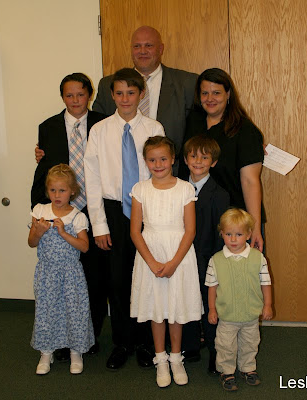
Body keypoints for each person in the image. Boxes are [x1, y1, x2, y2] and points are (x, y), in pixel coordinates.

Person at [83, 68, 165, 371]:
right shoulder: (100, 130)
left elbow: (161, 171)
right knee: (117, 280)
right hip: (114, 211)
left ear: (141, 94)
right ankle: (122, 342)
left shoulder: (154, 127)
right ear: (112, 96)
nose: (125, 98)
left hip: (147, 210)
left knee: (145, 278)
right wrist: (99, 225)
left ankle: (145, 342)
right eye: (119, 93)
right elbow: (92, 180)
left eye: (131, 92)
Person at [31, 72, 108, 362]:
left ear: (89, 95)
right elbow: (45, 171)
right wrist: (39, 210)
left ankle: (89, 336)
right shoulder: (48, 127)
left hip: (94, 208)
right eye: (69, 95)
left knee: (93, 277)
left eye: (81, 94)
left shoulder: (102, 122)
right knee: (61, 284)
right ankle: (62, 338)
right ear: (62, 97)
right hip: (61, 210)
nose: (75, 100)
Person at [130, 136, 202, 387]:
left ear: (173, 159)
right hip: (149, 254)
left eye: (163, 159)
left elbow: (190, 230)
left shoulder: (185, 188)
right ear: (145, 161)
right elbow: (135, 231)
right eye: (152, 160)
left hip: (178, 255)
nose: (158, 164)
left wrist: (173, 263)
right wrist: (151, 262)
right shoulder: (140, 189)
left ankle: (176, 357)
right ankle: (160, 358)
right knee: (156, 307)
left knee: (175, 306)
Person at [179, 67, 266, 252]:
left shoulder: (245, 130)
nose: (210, 98)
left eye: (216, 93)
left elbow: (250, 181)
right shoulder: (193, 122)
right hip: (194, 217)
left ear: (228, 94)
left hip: (233, 222)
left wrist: (254, 226)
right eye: (205, 93)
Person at [92, 25, 198, 175]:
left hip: (171, 175)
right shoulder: (107, 84)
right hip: (120, 175)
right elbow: (96, 127)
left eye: (149, 45)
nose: (142, 51)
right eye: (137, 46)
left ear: (160, 49)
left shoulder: (187, 83)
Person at [28, 164, 94, 375]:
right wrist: (38, 231)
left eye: (62, 190)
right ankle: (46, 352)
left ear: (72, 191)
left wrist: (64, 233)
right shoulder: (40, 211)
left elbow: (84, 246)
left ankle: (76, 352)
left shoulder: (77, 216)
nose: (57, 195)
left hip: (71, 273)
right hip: (47, 273)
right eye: (53, 190)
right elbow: (31, 243)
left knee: (74, 312)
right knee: (46, 311)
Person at [205, 208, 273, 392]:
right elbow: (212, 287)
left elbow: (265, 283)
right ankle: (226, 371)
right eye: (228, 234)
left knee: (250, 343)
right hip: (227, 316)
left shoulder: (258, 258)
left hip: (251, 315)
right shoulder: (216, 260)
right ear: (222, 234)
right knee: (225, 345)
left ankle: (248, 368)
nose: (233, 239)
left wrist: (267, 305)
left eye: (239, 234)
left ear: (249, 234)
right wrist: (212, 309)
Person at [180, 135, 231, 373]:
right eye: (193, 156)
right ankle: (190, 345)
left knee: (210, 305)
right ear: (185, 159)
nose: (198, 161)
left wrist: (217, 264)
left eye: (204, 157)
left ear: (213, 162)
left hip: (207, 258)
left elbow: (220, 233)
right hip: (182, 257)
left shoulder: (219, 194)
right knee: (185, 301)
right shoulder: (177, 188)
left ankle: (215, 351)